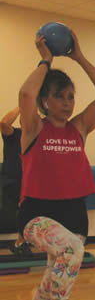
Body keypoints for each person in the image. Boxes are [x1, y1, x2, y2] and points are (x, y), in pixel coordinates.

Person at [18, 30, 95, 300]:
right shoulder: (34, 128)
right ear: (46, 100)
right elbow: (25, 95)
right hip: (37, 214)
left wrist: (79, 57)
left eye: (70, 96)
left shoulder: (80, 128)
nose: (67, 102)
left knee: (58, 270)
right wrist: (45, 61)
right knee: (71, 251)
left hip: (74, 211)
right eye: (59, 96)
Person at [1, 106, 28, 253]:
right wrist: (21, 105)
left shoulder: (37, 138)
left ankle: (20, 243)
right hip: (12, 183)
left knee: (28, 215)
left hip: (30, 184)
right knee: (11, 217)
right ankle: (20, 242)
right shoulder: (14, 134)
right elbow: (4, 123)